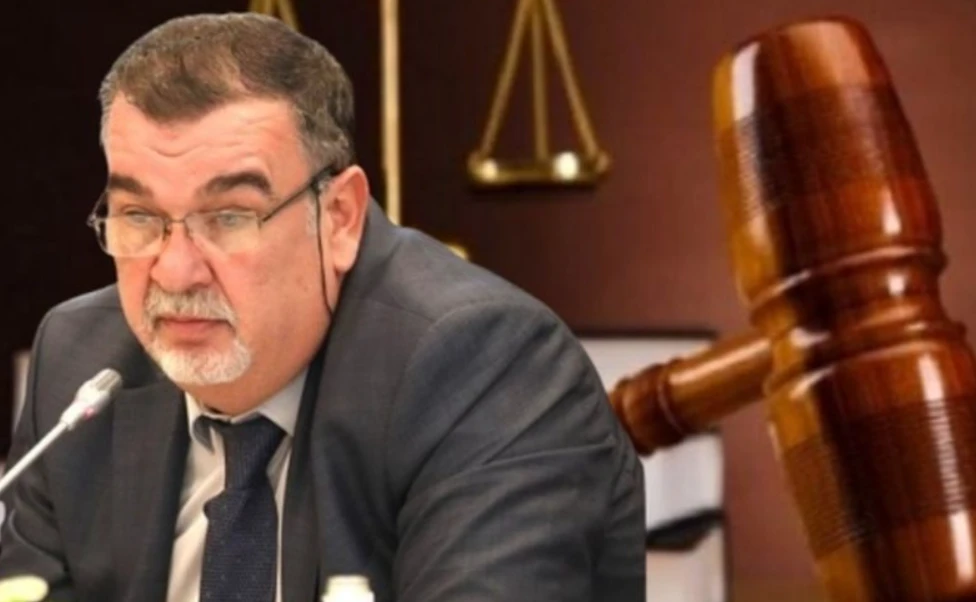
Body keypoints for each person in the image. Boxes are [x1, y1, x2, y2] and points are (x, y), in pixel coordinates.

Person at [0, 12, 645, 602]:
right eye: (139, 215)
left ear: (339, 217)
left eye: (229, 217)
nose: (173, 271)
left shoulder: (484, 367)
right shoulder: (80, 364)